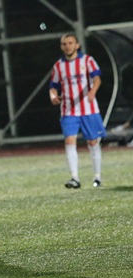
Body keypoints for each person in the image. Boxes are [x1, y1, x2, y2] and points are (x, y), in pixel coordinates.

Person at [49, 33, 106, 188]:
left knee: (93, 141)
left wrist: (93, 91)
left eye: (70, 43)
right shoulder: (58, 66)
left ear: (77, 45)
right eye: (64, 43)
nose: (67, 46)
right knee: (69, 141)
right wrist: (53, 96)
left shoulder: (87, 60)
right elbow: (53, 86)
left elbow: (97, 78)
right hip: (68, 110)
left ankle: (97, 177)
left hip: (88, 109)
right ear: (61, 46)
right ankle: (75, 178)